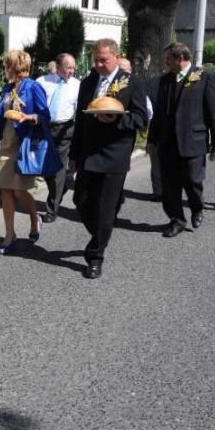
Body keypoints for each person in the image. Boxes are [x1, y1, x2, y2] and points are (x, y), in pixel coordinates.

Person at [69, 40, 148, 279]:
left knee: (105, 209)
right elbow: (80, 122)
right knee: (80, 199)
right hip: (89, 153)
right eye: (96, 60)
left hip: (115, 154)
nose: (99, 64)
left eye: (104, 60)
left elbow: (141, 118)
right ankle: (102, 231)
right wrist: (73, 155)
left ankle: (95, 256)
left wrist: (116, 119)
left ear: (116, 56)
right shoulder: (88, 83)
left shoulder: (133, 83)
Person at [147, 42, 215, 238]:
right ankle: (176, 220)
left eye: (168, 59)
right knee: (169, 185)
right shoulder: (164, 80)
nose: (166, 63)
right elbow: (158, 114)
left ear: (180, 58)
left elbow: (214, 111)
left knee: (193, 181)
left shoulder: (204, 76)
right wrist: (152, 139)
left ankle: (197, 208)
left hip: (193, 141)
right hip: (167, 143)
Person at [0, 50, 48, 254]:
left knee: (19, 190)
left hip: (23, 145)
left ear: (15, 67)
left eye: (6, 65)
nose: (4, 69)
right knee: (6, 190)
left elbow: (45, 115)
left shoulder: (33, 87)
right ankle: (9, 235)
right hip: (6, 145)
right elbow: (0, 119)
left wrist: (31, 117)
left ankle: (35, 218)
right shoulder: (7, 88)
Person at [36, 53, 81, 223]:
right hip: (44, 128)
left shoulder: (77, 85)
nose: (71, 71)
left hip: (65, 129)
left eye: (73, 68)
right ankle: (60, 189)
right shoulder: (43, 81)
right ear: (58, 66)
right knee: (45, 168)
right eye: (68, 67)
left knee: (58, 169)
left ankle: (52, 209)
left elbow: (79, 109)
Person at [117, 57, 160, 200]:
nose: (122, 73)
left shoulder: (136, 85)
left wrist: (142, 125)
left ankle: (116, 193)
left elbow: (146, 110)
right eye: (120, 69)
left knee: (119, 167)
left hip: (125, 133)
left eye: (125, 70)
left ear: (130, 71)